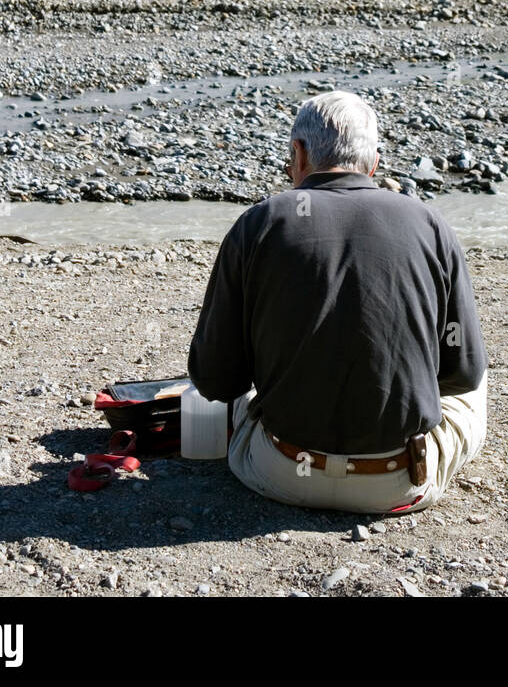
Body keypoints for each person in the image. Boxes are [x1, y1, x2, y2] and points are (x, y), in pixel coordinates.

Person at [187, 90, 488, 514]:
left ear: (298, 153)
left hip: (281, 472)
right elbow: (463, 374)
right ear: (375, 162)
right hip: (397, 480)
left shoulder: (260, 222)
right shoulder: (428, 223)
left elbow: (215, 381)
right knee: (478, 379)